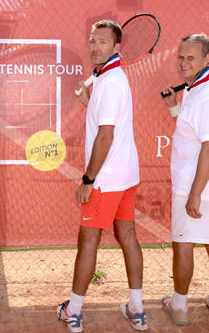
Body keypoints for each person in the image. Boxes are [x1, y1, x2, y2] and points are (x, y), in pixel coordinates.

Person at [57, 20, 146, 332]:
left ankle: (74, 311)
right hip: (126, 177)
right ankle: (136, 309)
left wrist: (88, 180)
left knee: (88, 243)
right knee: (129, 238)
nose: (95, 47)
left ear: (116, 47)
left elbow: (105, 137)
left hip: (105, 181)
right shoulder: (110, 77)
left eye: (103, 42)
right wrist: (88, 102)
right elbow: (108, 122)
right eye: (92, 41)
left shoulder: (108, 83)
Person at [160, 33, 209, 325]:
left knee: (185, 244)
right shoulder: (195, 90)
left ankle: (179, 307)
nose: (184, 62)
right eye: (181, 57)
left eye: (191, 58)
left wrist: (195, 193)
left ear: (206, 60)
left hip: (196, 187)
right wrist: (173, 106)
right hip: (205, 185)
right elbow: (192, 131)